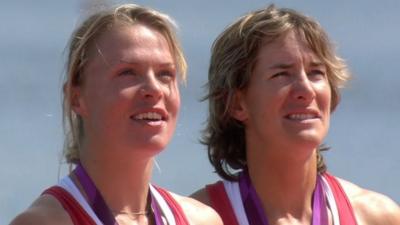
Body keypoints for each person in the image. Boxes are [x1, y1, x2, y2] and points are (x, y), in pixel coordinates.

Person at [10, 4, 222, 225]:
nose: (154, 88)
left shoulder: (201, 220)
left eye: (165, 74)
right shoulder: (46, 221)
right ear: (76, 98)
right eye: (128, 72)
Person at [192, 4, 400, 225]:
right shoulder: (197, 218)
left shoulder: (377, 217)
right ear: (237, 104)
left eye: (315, 73)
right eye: (282, 74)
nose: (306, 89)